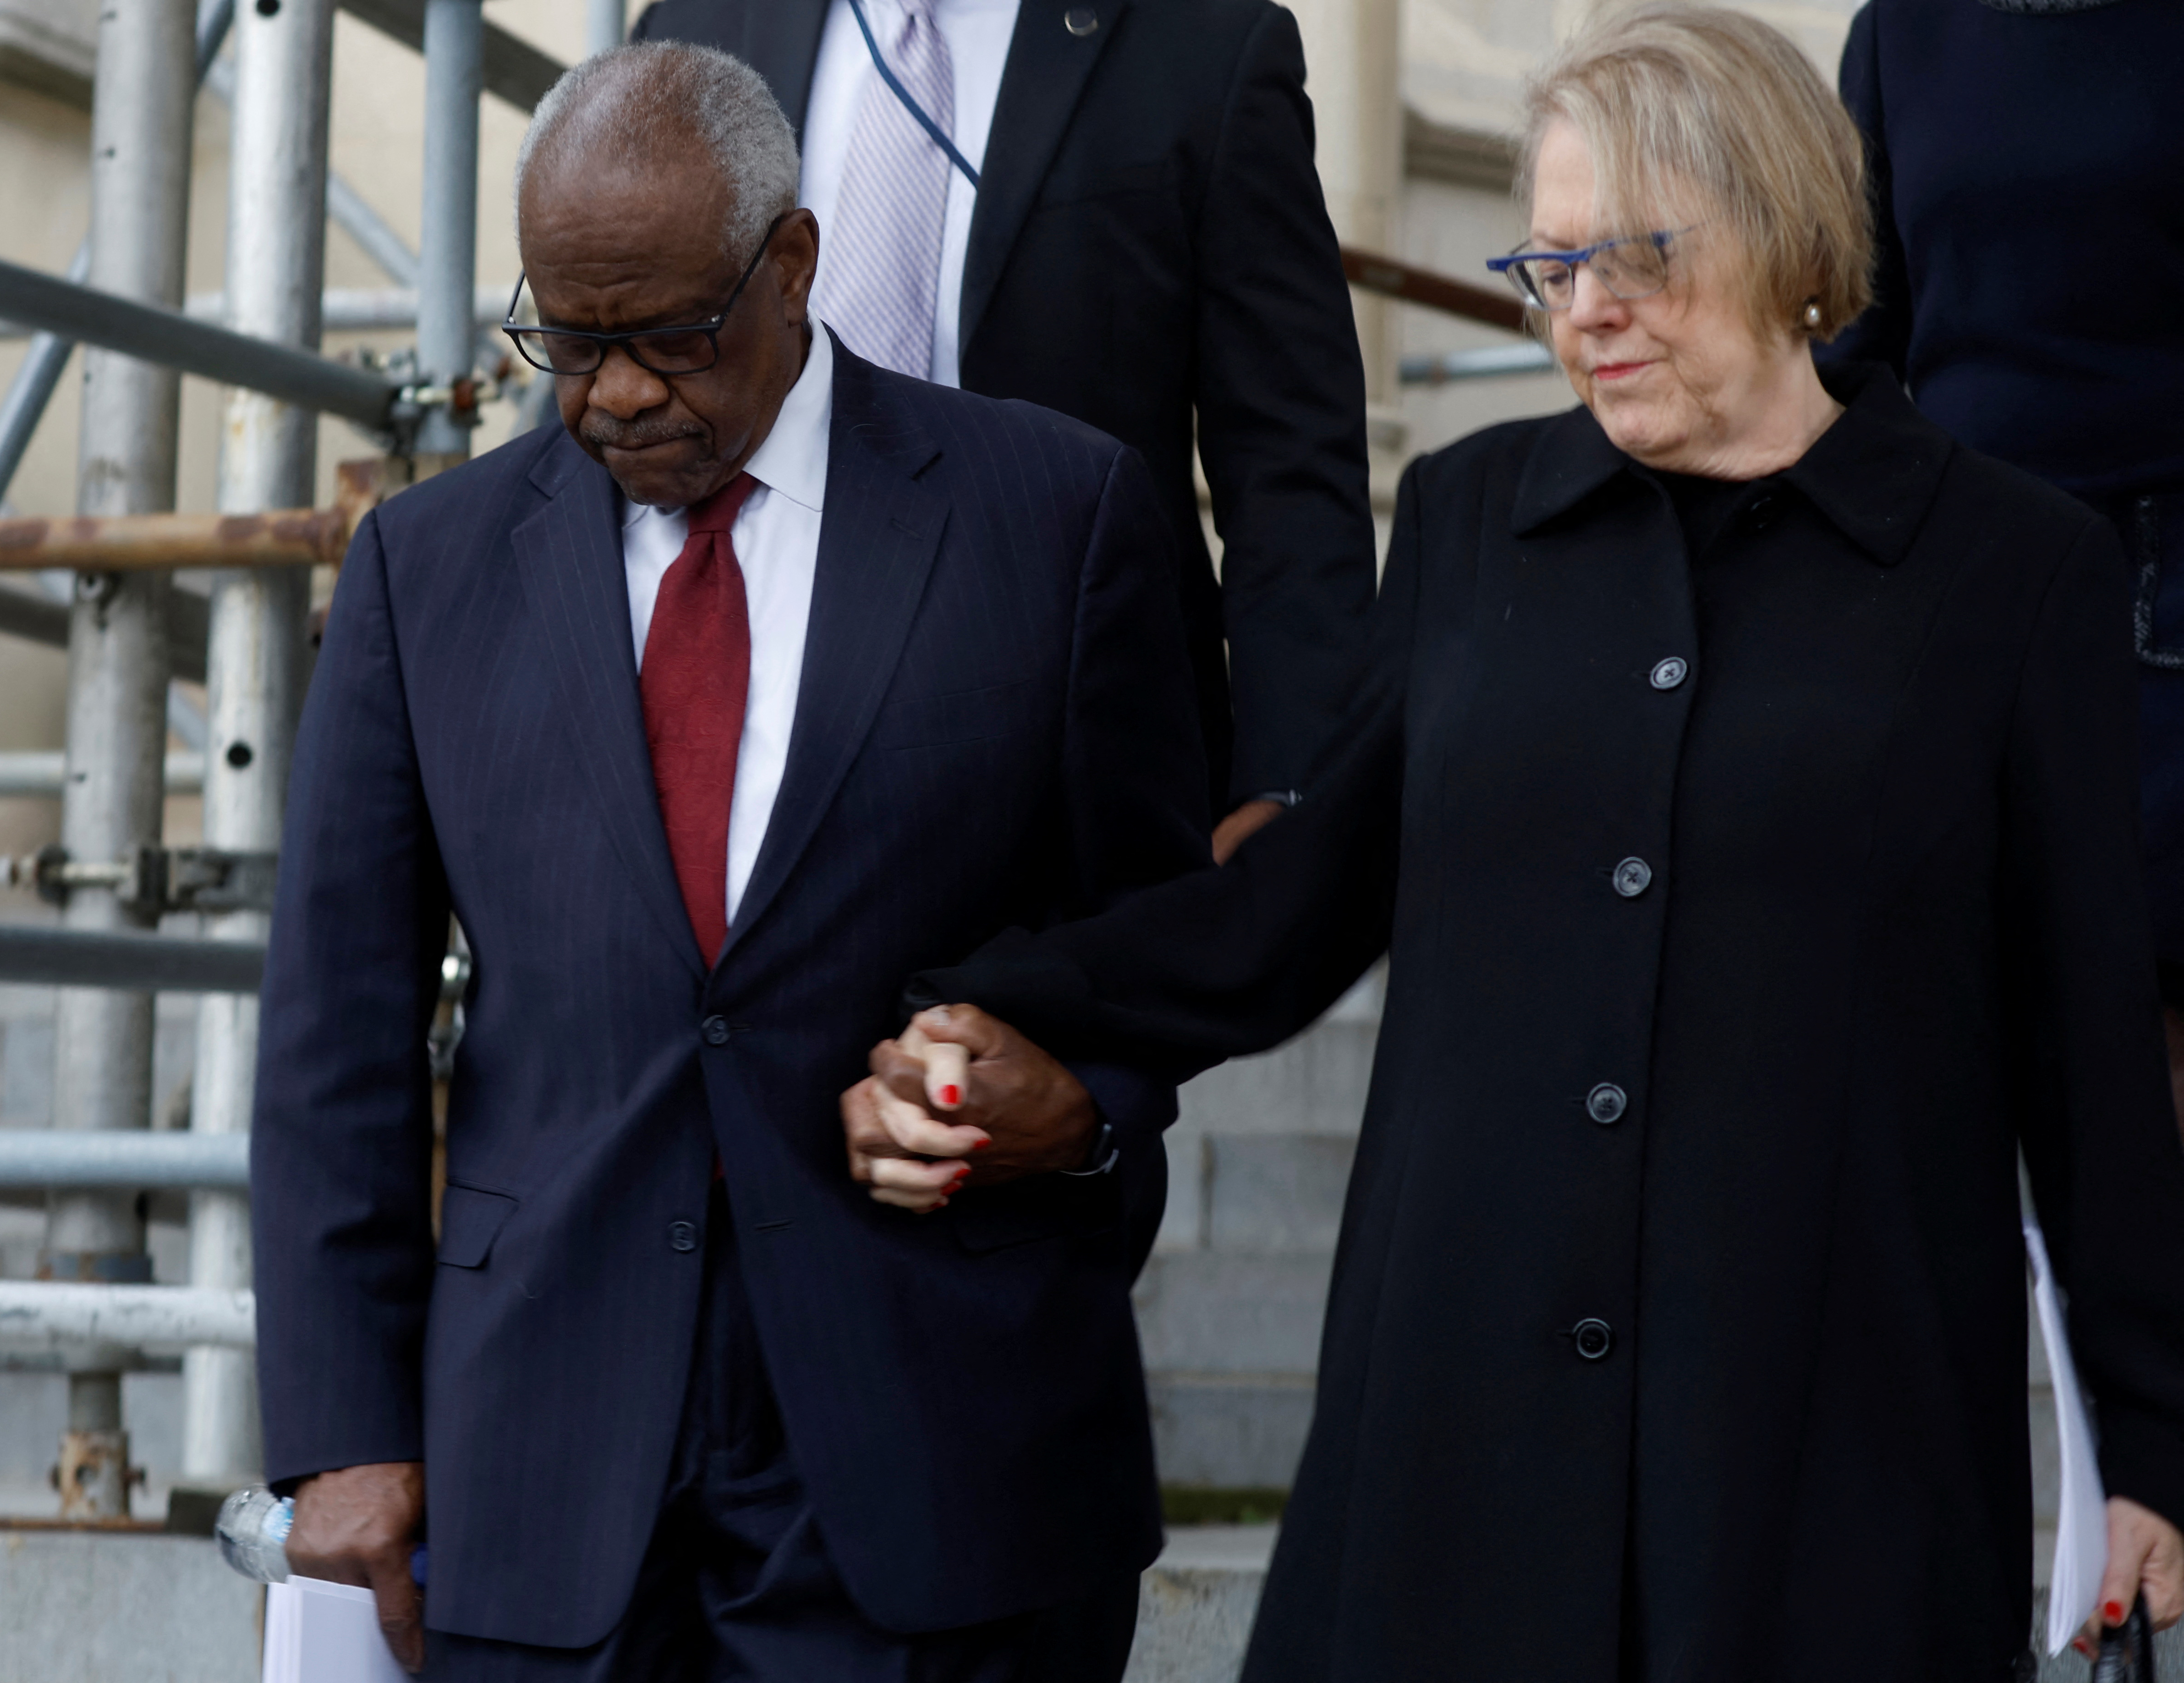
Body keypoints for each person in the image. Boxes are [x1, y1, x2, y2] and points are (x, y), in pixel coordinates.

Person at [845, 8, 2184, 1678]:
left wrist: (2148, 1449)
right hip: (1455, 1422)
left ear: (1784, 234)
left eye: (1632, 256)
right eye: (1545, 266)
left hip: (1827, 1450)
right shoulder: (1475, 521)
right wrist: (976, 985)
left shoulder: (2011, 573)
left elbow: (2087, 1057)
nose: (1584, 312)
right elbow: (1284, 911)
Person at [249, 40, 1212, 1683]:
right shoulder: (427, 569)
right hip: (537, 1468)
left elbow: (1154, 959)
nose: (614, 391)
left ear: (791, 268)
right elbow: (335, 1029)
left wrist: (1082, 1113)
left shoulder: (1054, 517)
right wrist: (343, 1431)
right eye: (567, 338)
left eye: (667, 338)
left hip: (940, 1449)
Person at [630, 0, 1377, 860]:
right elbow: (616, 368)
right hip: (745, 734)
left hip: (1078, 777)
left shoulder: (1204, 43)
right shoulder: (702, 28)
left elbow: (1290, 455)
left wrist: (1292, 787)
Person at [1827, 0, 2184, 1122]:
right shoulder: (1897, 34)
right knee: (1965, 1041)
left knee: (2148, 1053)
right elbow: (1854, 339)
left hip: (2166, 607)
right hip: (1963, 600)